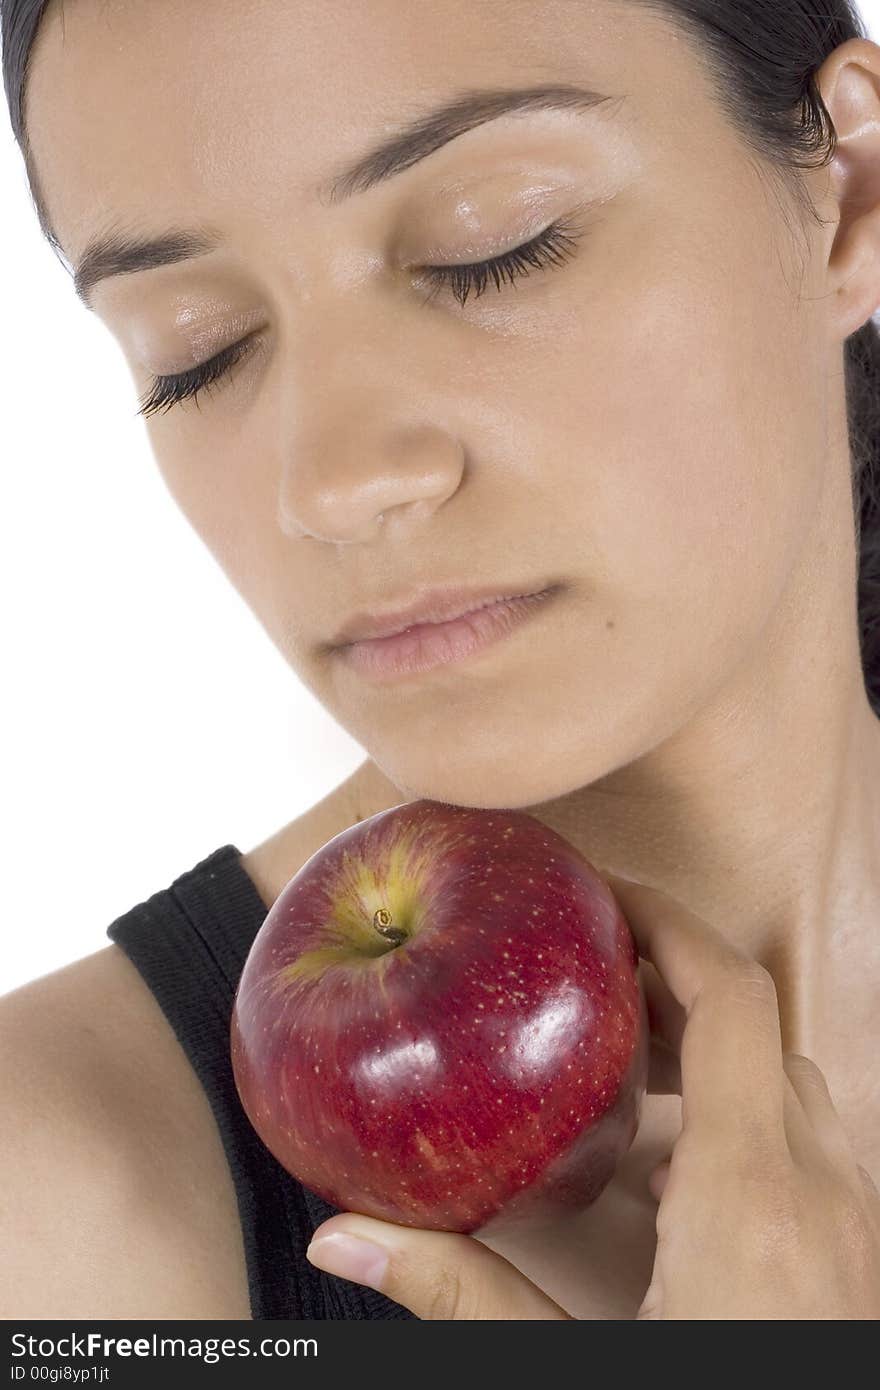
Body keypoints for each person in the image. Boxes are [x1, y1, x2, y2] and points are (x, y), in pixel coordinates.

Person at [1, 0, 879, 1320]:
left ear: (851, 198)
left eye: (493, 247)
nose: (338, 481)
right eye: (197, 350)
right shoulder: (58, 1219)